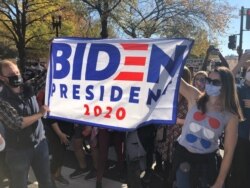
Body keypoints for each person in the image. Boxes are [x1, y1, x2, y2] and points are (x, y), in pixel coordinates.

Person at [173, 66, 243, 188]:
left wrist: (219, 182)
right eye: (208, 80)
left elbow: (228, 152)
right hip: (183, 158)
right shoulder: (194, 96)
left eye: (215, 82)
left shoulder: (230, 116)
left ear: (226, 85)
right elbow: (173, 76)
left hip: (206, 164)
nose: (210, 84)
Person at [0, 59, 54, 188]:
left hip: (40, 143)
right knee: (19, 184)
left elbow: (46, 76)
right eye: (11, 74)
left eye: (17, 72)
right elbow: (17, 123)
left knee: (46, 181)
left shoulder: (27, 87)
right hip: (18, 150)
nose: (16, 76)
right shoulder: (2, 98)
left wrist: (52, 53)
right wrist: (40, 113)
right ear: (2, 77)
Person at [155, 66, 192, 187]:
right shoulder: (169, 93)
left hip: (180, 137)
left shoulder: (190, 99)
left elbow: (193, 121)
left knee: (177, 164)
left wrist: (177, 120)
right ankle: (166, 180)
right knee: (167, 161)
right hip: (167, 134)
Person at [226, 51, 250, 188]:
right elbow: (226, 80)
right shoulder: (240, 88)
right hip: (241, 139)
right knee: (239, 173)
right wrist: (241, 62)